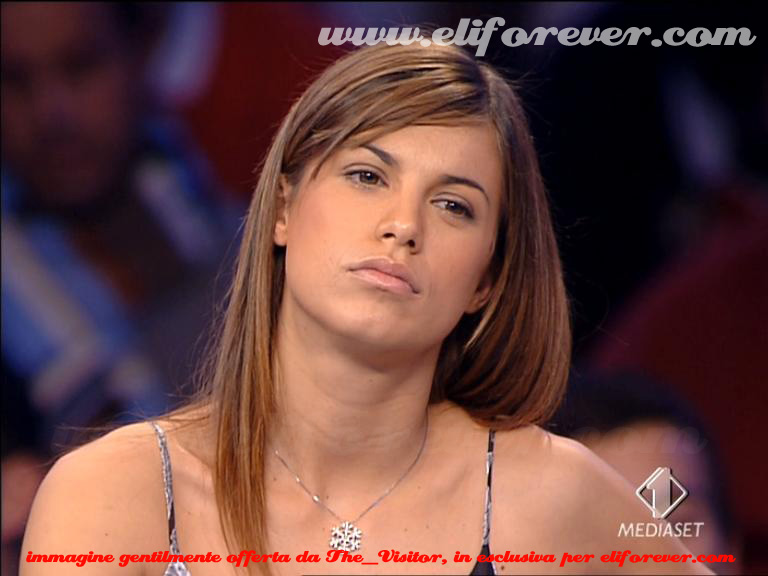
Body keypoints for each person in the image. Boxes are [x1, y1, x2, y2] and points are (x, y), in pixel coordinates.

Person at [21, 42, 712, 575]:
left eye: (454, 205)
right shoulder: (112, 495)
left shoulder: (550, 495)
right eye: (367, 175)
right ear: (284, 207)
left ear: (487, 280)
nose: (403, 225)